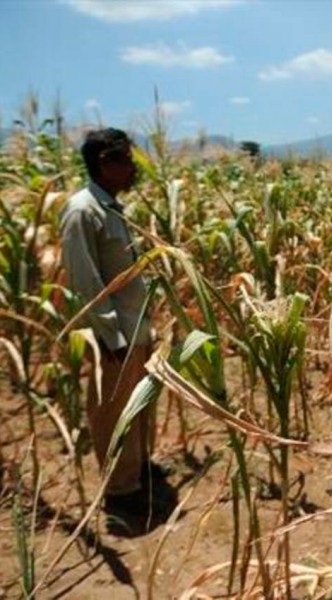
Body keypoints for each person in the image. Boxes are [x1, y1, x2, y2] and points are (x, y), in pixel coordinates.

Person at [60, 128, 164, 515]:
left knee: (138, 407)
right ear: (106, 163)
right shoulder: (82, 210)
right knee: (113, 413)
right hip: (116, 336)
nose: (135, 168)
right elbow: (85, 280)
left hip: (137, 329)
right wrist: (111, 336)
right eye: (128, 160)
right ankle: (121, 491)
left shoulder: (112, 208)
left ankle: (138, 470)